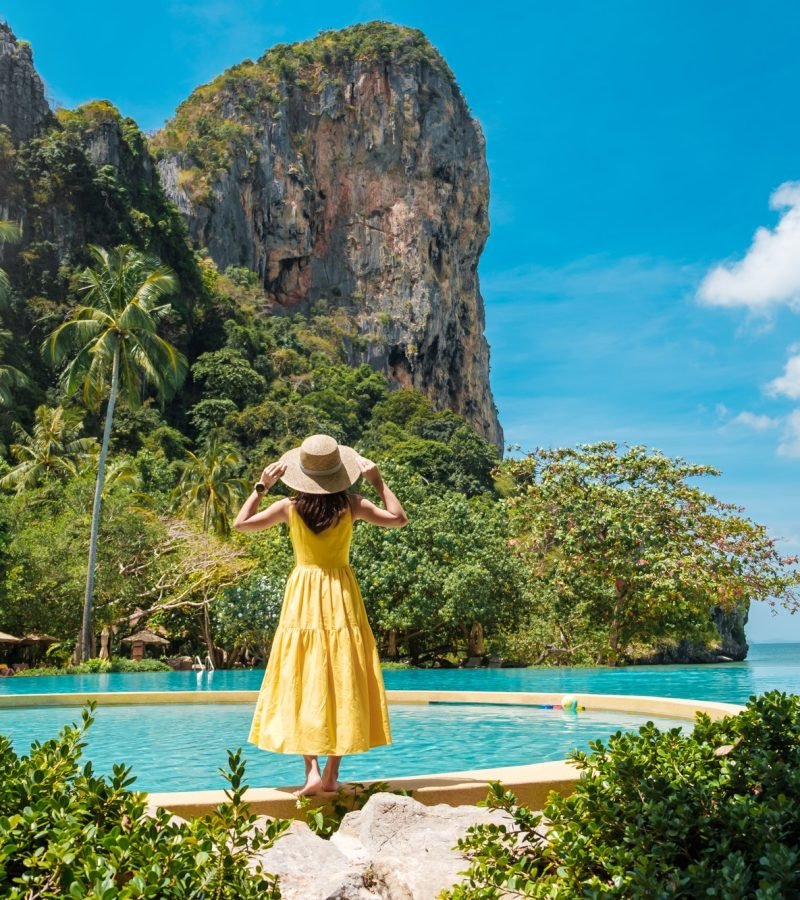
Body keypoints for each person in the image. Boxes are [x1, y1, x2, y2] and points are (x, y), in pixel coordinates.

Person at [233, 433, 408, 796]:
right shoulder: (354, 505)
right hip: (341, 593)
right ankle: (330, 775)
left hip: (303, 593)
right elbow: (398, 519)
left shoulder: (288, 508)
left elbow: (241, 523)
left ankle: (311, 772)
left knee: (301, 673)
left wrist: (261, 487)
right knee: (343, 675)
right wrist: (377, 481)